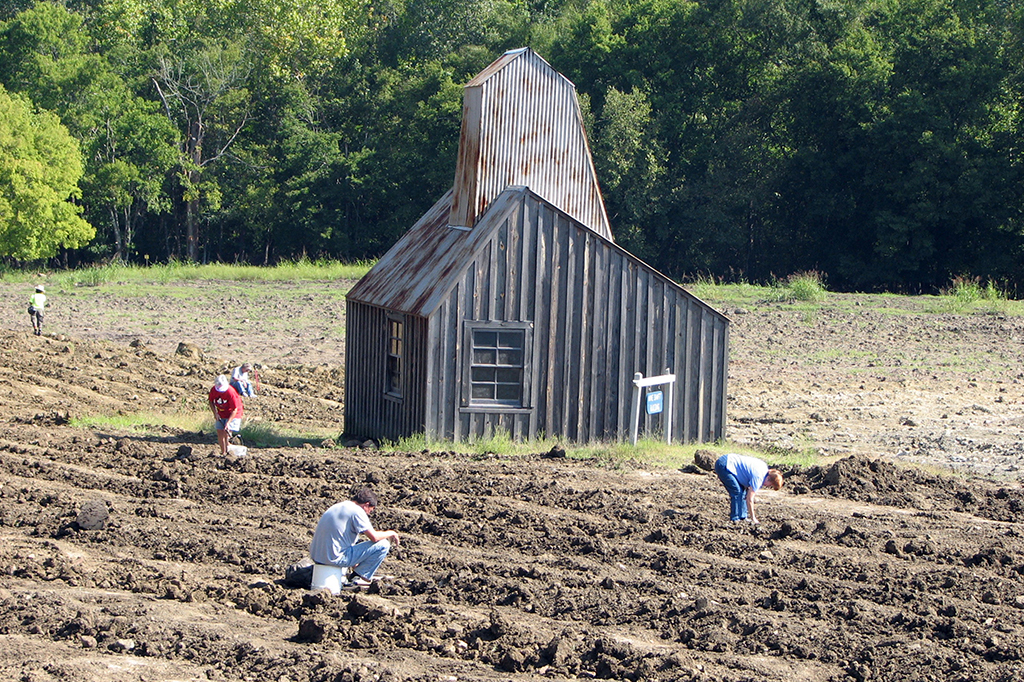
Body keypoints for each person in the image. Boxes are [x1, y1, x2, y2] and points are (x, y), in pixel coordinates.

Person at [309, 487, 400, 593]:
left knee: (354, 545)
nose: (368, 514)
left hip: (317, 556)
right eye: (370, 510)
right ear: (366, 504)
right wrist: (391, 533)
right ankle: (356, 577)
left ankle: (353, 574)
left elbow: (340, 540)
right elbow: (374, 537)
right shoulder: (357, 511)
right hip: (334, 558)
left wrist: (355, 562)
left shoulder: (338, 506)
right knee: (383, 544)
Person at [714, 453, 783, 524]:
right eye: (770, 485)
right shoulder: (759, 477)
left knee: (743, 492)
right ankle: (735, 518)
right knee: (737, 492)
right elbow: (750, 499)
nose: (767, 487)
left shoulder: (764, 469)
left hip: (729, 461)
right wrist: (753, 518)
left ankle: (743, 517)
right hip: (725, 465)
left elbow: (746, 478)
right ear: (768, 478)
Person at [208, 375, 244, 455]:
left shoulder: (230, 392)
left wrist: (228, 423)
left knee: (225, 432)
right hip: (221, 413)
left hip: (234, 413)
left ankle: (229, 451)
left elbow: (235, 409)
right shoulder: (214, 390)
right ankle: (223, 452)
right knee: (220, 432)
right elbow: (211, 401)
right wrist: (215, 413)